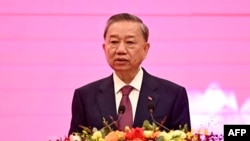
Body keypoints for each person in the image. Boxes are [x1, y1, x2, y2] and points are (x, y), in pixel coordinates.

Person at [68, 13, 191, 135]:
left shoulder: (173, 95)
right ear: (104, 48)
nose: (121, 50)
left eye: (130, 42)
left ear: (145, 49)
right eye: (114, 42)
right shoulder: (85, 97)